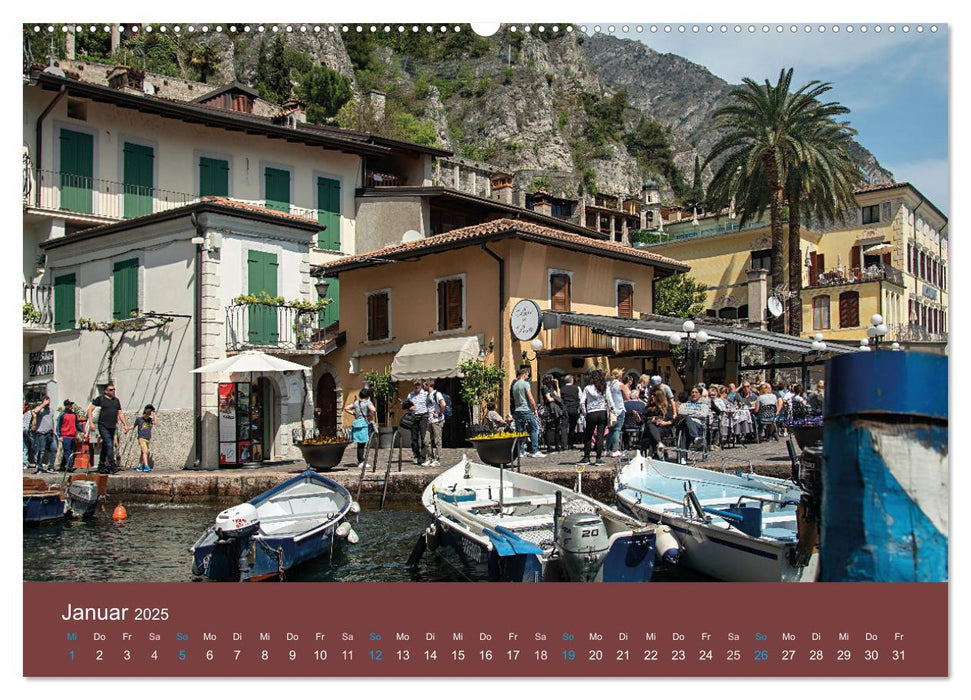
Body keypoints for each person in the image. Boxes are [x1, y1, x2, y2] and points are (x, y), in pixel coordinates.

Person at [85, 383, 129, 474]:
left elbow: (120, 412)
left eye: (114, 389)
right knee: (109, 444)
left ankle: (101, 465)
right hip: (103, 425)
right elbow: (90, 410)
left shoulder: (116, 401)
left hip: (112, 426)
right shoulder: (100, 399)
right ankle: (112, 465)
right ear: (105, 391)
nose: (113, 391)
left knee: (105, 446)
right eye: (111, 390)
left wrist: (125, 424)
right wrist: (91, 423)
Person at [579, 369, 613, 465]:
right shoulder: (604, 387)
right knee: (600, 435)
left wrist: (585, 413)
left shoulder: (587, 388)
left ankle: (586, 457)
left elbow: (581, 402)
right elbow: (609, 400)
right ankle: (598, 458)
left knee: (588, 435)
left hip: (591, 413)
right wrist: (611, 411)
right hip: (602, 412)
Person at [511, 366, 544, 457]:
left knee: (520, 431)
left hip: (517, 410)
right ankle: (535, 450)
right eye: (527, 375)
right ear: (524, 374)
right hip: (525, 409)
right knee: (534, 428)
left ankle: (521, 451)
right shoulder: (525, 384)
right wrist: (535, 409)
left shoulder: (515, 385)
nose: (528, 377)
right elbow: (530, 398)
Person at [345, 386, 376, 469]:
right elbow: (373, 410)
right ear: (367, 396)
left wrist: (354, 413)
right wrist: (370, 416)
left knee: (359, 445)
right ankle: (361, 461)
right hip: (363, 424)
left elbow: (346, 408)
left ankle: (360, 460)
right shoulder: (367, 403)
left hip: (356, 423)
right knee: (362, 444)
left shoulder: (356, 403)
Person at [640, 388, 675, 458]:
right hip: (649, 429)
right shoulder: (648, 408)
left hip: (663, 428)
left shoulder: (667, 408)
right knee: (650, 425)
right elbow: (642, 421)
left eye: (654, 395)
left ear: (659, 397)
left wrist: (664, 423)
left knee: (653, 435)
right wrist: (638, 418)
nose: (652, 397)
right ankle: (659, 444)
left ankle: (650, 454)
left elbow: (672, 421)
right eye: (651, 395)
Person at [606, 369, 631, 457]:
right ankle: (615, 450)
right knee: (617, 429)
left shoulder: (609, 385)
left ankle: (607, 449)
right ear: (620, 376)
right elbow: (627, 398)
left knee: (611, 430)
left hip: (611, 410)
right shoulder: (620, 385)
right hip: (619, 409)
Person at [125, 405, 156, 472]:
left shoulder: (150, 420)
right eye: (146, 415)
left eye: (148, 415)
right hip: (141, 438)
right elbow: (133, 426)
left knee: (143, 453)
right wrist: (127, 429)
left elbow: (155, 422)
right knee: (145, 451)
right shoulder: (139, 419)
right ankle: (146, 466)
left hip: (147, 438)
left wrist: (154, 414)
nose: (147, 416)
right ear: (144, 413)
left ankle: (139, 466)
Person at [541, 374, 568, 452]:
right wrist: (555, 398)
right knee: (549, 427)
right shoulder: (545, 387)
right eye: (552, 379)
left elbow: (558, 396)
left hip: (556, 409)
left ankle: (557, 445)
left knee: (557, 427)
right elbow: (549, 399)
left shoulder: (552, 387)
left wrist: (557, 385)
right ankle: (549, 446)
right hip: (549, 409)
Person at [406, 379, 430, 466]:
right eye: (416, 385)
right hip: (414, 417)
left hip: (423, 416)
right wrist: (409, 408)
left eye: (419, 385)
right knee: (414, 439)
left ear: (421, 385)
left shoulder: (426, 394)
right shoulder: (410, 395)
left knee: (424, 438)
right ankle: (416, 455)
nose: (417, 387)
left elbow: (430, 405)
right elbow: (406, 406)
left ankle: (422, 457)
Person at [31, 396, 56, 473]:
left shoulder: (51, 410)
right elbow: (35, 411)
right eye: (46, 401)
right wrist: (43, 404)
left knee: (53, 449)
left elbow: (52, 420)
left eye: (49, 401)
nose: (48, 403)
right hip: (41, 433)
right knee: (41, 451)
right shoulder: (40, 409)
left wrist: (53, 430)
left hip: (50, 433)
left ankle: (51, 467)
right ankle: (39, 467)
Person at [425, 378, 447, 468]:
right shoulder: (428, 395)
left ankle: (437, 460)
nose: (423, 386)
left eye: (425, 384)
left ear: (429, 385)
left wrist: (440, 413)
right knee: (426, 441)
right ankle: (430, 458)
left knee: (437, 441)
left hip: (437, 421)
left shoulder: (437, 394)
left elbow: (443, 404)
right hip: (430, 421)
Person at [56, 400, 80, 472]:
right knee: (68, 451)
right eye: (69, 405)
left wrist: (81, 430)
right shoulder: (62, 415)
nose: (70, 406)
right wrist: (60, 435)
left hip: (72, 435)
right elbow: (59, 426)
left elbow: (77, 424)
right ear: (66, 405)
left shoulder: (74, 414)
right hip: (65, 435)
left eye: (70, 405)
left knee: (71, 451)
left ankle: (63, 465)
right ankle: (69, 466)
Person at [559, 374, 581, 448]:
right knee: (572, 427)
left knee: (564, 427)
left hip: (565, 409)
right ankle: (570, 443)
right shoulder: (577, 388)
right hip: (574, 409)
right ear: (572, 380)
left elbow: (560, 399)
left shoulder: (561, 389)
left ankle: (564, 444)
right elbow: (580, 398)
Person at [23, 401, 34, 470]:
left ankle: (26, 462)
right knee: (25, 447)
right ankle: (25, 463)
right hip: (24, 430)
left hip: (27, 430)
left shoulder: (30, 412)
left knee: (31, 446)